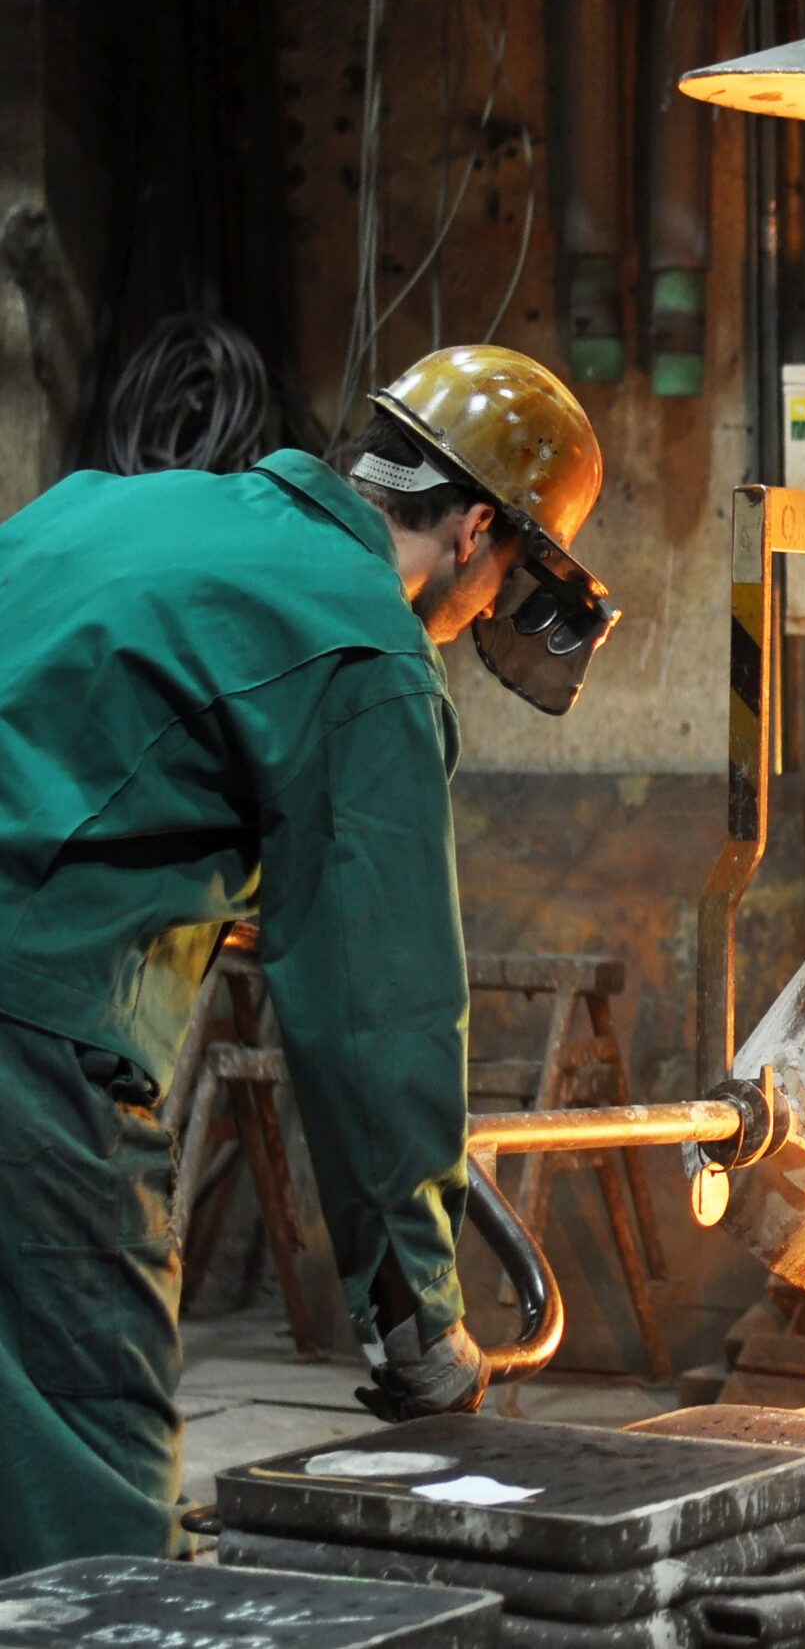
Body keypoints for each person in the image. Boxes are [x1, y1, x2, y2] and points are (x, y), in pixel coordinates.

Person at [0, 345, 617, 1572]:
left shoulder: (111, 504)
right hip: (27, 1051)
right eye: (505, 581)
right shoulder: (364, 651)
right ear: (473, 528)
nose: (488, 612)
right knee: (87, 1485)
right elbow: (372, 1022)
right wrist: (417, 1319)